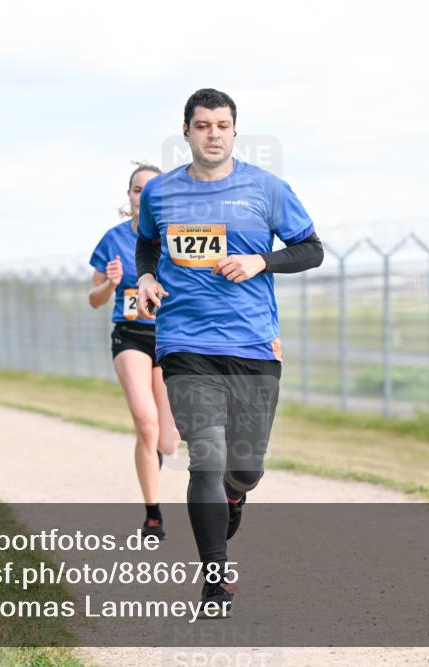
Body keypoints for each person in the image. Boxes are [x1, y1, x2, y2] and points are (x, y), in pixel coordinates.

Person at [135, 89, 323, 616]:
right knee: (206, 460)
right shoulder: (161, 193)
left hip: (253, 345)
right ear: (187, 131)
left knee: (244, 468)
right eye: (202, 125)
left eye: (222, 125)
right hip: (186, 344)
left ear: (235, 132)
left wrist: (261, 262)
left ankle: (235, 496)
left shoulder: (266, 189)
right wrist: (147, 275)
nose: (212, 134)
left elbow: (311, 249)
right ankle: (214, 580)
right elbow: (148, 242)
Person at [89, 162, 179, 540]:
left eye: (151, 188)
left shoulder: (175, 236)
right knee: (146, 423)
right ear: (129, 196)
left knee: (168, 441)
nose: (143, 195)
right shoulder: (113, 239)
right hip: (130, 336)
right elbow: (94, 300)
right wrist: (109, 285)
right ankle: (153, 515)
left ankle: (154, 451)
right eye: (137, 189)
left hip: (169, 338)